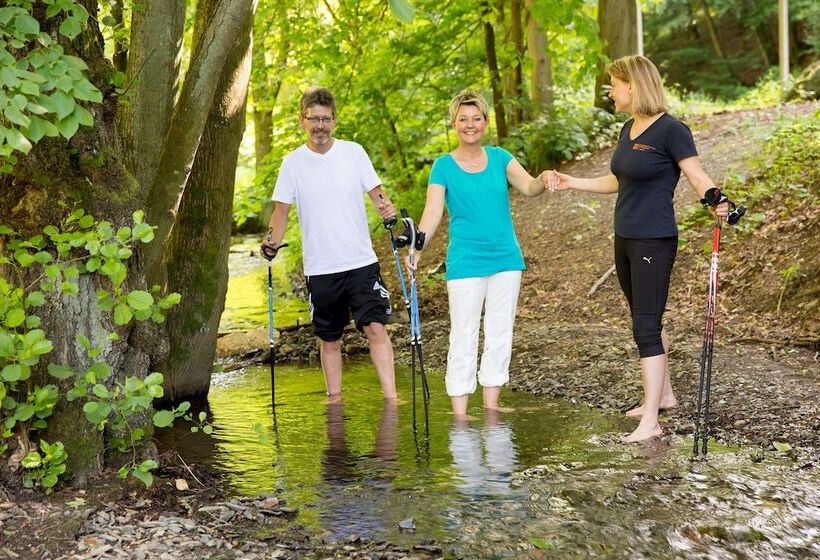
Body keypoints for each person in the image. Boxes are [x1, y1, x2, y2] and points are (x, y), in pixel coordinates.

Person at [546, 55, 728, 443]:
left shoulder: (672, 130)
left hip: (653, 239)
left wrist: (716, 199)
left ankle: (650, 421)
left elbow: (696, 175)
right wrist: (571, 182)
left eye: (614, 85)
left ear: (633, 85)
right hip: (625, 237)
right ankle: (663, 396)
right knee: (647, 319)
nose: (610, 92)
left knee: (645, 325)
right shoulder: (628, 128)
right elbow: (619, 180)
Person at [408, 89, 549, 417]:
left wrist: (544, 178)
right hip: (465, 262)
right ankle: (460, 412)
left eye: (476, 118)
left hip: (505, 259)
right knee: (464, 333)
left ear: (485, 122)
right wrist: (417, 247)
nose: (470, 124)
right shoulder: (443, 166)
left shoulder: (500, 158)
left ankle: (491, 405)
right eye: (463, 119)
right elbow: (433, 212)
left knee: (500, 331)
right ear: (454, 124)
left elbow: (530, 187)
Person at [261, 87, 398, 402]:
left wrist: (387, 210)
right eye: (314, 119)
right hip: (321, 268)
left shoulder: (354, 153)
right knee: (330, 338)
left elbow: (377, 193)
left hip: (360, 262)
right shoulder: (292, 163)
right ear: (303, 120)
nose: (319, 125)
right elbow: (280, 212)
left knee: (376, 328)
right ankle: (335, 403)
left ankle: (391, 399)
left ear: (334, 121)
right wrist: (271, 241)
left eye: (325, 119)